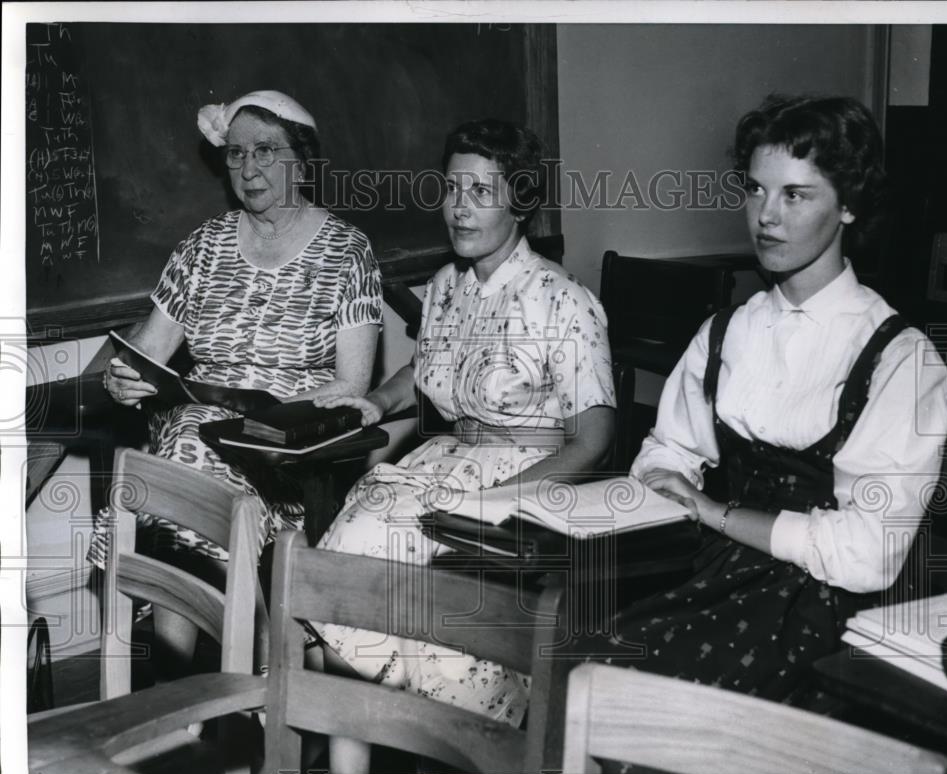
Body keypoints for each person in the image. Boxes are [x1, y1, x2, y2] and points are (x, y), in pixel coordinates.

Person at [580, 95, 947, 706]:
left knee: (631, 697)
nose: (766, 217)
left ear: (851, 206)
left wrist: (712, 511)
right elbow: (664, 451)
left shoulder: (900, 361)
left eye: (795, 195)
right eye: (756, 190)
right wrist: (670, 483)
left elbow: (865, 557)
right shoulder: (727, 331)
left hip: (827, 604)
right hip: (712, 568)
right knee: (575, 655)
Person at [310, 119, 616, 728]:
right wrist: (377, 401)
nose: (459, 209)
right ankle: (365, 736)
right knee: (343, 562)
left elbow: (597, 437)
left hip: (523, 480)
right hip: (447, 462)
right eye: (452, 190)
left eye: (481, 192)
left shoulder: (562, 299)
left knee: (400, 592)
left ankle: (453, 743)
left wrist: (498, 501)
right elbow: (426, 372)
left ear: (520, 202)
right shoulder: (448, 286)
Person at [92, 90, 383, 670]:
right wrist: (121, 381)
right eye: (235, 154)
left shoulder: (348, 252)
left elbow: (352, 387)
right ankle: (204, 680)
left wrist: (263, 416)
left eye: (266, 151)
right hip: (195, 436)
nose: (247, 169)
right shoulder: (203, 247)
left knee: (183, 464)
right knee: (184, 453)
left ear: (301, 159)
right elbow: (145, 353)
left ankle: (219, 676)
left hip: (285, 453)